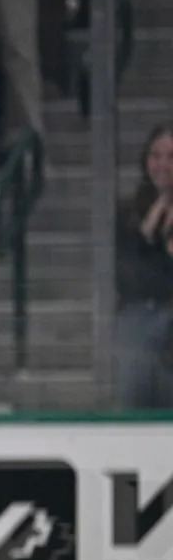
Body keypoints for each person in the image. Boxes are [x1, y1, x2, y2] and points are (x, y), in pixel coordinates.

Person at [114, 123, 173, 408]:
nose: (163, 164)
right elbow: (127, 262)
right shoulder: (129, 208)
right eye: (156, 155)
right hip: (137, 318)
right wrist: (158, 210)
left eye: (171, 157)